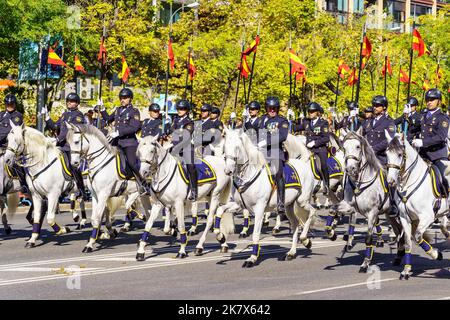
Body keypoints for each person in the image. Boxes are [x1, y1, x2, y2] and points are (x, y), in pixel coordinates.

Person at [99, 88, 150, 194]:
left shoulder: (134, 111)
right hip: (117, 142)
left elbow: (134, 127)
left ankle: (142, 184)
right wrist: (102, 109)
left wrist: (119, 132)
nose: (122, 100)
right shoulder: (118, 110)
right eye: (121, 98)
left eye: (125, 98)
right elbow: (108, 119)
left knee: (131, 163)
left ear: (130, 99)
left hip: (129, 142)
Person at [42, 93, 89, 200]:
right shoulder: (65, 115)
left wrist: (58, 139)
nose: (69, 103)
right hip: (60, 146)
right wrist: (47, 118)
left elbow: (70, 131)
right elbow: (55, 126)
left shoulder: (78, 116)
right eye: (68, 101)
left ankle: (81, 189)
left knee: (72, 166)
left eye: (72, 101)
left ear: (77, 103)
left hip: (70, 147)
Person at [362, 95, 396, 215]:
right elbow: (362, 136)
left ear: (384, 107)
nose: (375, 107)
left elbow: (389, 140)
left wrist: (372, 149)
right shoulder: (368, 122)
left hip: (380, 157)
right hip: (366, 156)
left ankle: (393, 203)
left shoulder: (389, 122)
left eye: (377, 106)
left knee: (389, 179)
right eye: (374, 105)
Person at [412, 88, 449, 197]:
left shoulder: (442, 118)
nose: (429, 102)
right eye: (427, 99)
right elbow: (413, 129)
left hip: (437, 156)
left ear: (439, 102)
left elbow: (441, 137)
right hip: (422, 155)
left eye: (432, 99)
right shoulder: (423, 116)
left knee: (443, 178)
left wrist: (423, 142)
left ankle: (446, 202)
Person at [257, 96, 289, 215]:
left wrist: (267, 141)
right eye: (270, 108)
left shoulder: (282, 121)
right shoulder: (261, 120)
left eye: (274, 108)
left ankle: (280, 202)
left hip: (275, 151)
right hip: (261, 151)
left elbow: (282, 136)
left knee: (278, 173)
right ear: (266, 108)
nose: (272, 110)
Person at [296, 102, 331, 195]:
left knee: (323, 165)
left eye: (312, 111)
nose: (310, 113)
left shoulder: (323, 123)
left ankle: (326, 185)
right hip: (308, 149)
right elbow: (297, 128)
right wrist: (290, 123)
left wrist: (315, 143)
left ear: (317, 112)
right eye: (309, 111)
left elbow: (326, 138)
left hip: (320, 149)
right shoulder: (306, 122)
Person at [168, 99, 197, 201]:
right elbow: (170, 131)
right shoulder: (175, 120)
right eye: (179, 108)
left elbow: (186, 135)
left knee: (191, 166)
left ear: (187, 110)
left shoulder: (189, 122)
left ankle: (194, 190)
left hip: (186, 148)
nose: (180, 110)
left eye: (183, 109)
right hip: (174, 147)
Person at [0, 94, 28, 193]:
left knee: (17, 165)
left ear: (14, 104)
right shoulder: (1, 114)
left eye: (11, 104)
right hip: (0, 146)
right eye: (8, 104)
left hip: (11, 147)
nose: (9, 106)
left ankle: (24, 185)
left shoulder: (17, 116)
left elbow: (9, 130)